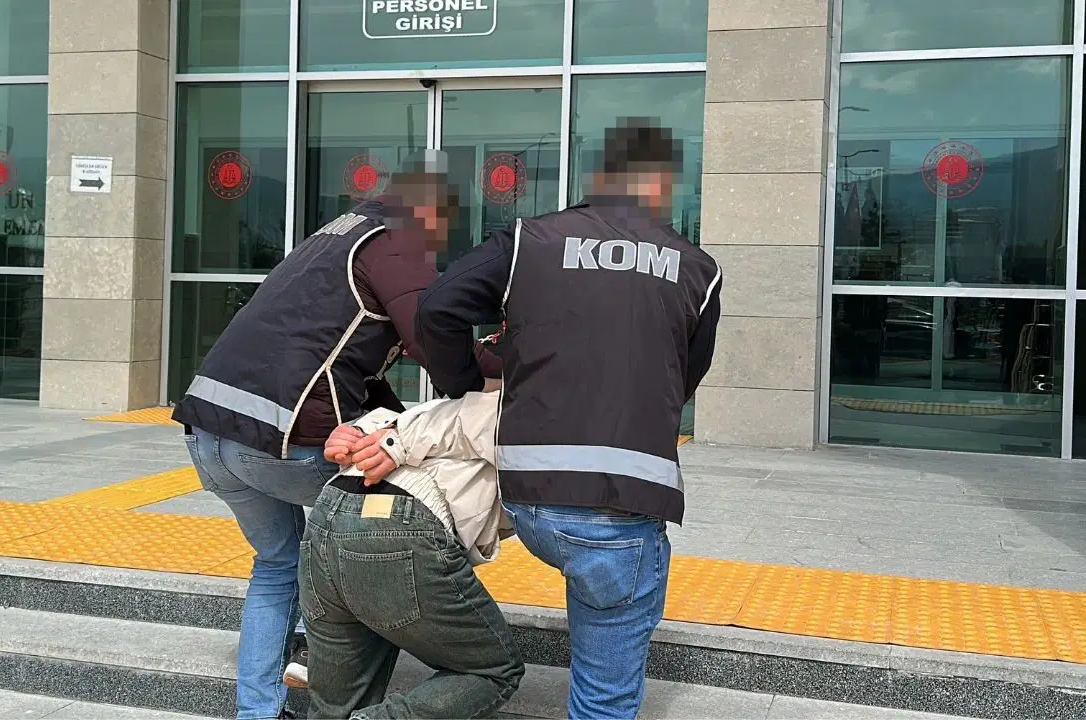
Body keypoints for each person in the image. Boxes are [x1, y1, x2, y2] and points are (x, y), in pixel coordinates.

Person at [171, 150, 502, 720]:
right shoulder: (395, 240)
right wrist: (507, 365)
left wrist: (397, 422)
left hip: (207, 431)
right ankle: (317, 647)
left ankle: (258, 710)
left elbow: (347, 362)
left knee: (278, 563)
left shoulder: (335, 235)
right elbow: (433, 340)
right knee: (392, 525)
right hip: (280, 439)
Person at [411, 117, 723, 719]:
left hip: (531, 499)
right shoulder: (697, 269)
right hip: (623, 506)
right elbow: (685, 377)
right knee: (604, 698)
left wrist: (464, 383)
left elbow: (437, 308)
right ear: (661, 184)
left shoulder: (527, 240)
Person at [296, 380, 522, 719]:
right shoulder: (514, 404)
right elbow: (482, 416)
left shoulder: (434, 407)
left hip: (328, 514)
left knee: (334, 708)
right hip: (399, 526)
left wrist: (358, 431)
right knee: (493, 671)